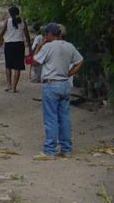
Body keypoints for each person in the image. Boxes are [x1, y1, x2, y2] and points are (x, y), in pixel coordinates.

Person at [32, 23, 84, 159]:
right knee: (64, 118)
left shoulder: (48, 47)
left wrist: (39, 45)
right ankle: (66, 149)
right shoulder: (69, 46)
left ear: (50, 34)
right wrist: (69, 73)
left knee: (51, 118)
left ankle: (49, 150)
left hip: (51, 84)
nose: (44, 36)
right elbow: (79, 61)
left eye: (46, 34)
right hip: (64, 84)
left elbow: (34, 61)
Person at [0, 5, 32, 92]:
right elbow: (27, 35)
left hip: (9, 45)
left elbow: (2, 33)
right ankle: (14, 87)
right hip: (19, 45)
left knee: (8, 65)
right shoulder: (22, 21)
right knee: (18, 66)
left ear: (10, 13)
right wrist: (30, 47)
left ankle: (8, 85)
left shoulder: (8, 21)